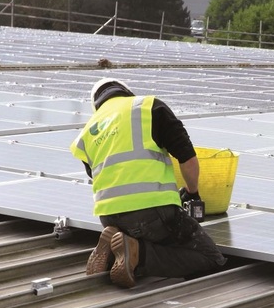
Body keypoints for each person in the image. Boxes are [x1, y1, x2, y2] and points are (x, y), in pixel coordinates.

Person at [70, 78, 226, 288]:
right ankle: (138, 255)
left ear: (97, 105)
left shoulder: (88, 131)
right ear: (126, 91)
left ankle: (114, 255)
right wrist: (192, 192)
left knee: (148, 236)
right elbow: (187, 159)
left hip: (109, 217)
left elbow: (101, 175)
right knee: (210, 258)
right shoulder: (148, 107)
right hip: (153, 212)